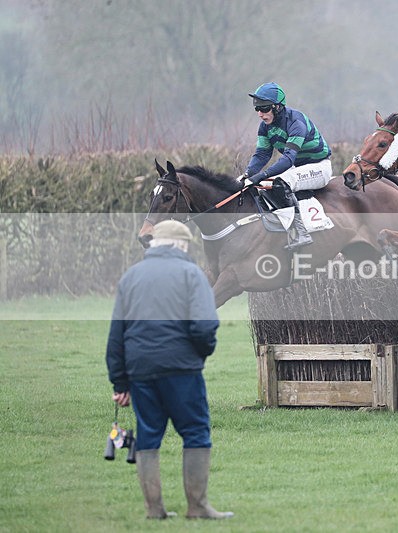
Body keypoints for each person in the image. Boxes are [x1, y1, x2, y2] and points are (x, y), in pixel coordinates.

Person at [105, 220, 232, 520]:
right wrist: (200, 354)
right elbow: (204, 326)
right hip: (181, 369)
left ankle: (154, 509)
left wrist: (120, 382)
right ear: (182, 245)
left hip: (140, 371)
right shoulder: (192, 274)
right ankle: (197, 506)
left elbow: (116, 336)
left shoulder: (131, 277)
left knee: (149, 436)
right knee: (196, 432)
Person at [239, 82, 333, 250]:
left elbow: (288, 158)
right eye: (257, 109)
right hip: (297, 168)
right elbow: (262, 155)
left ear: (277, 107)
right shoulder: (265, 127)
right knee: (261, 184)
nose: (260, 114)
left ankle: (301, 232)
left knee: (280, 182)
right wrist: (247, 175)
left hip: (319, 167)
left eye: (264, 108)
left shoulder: (296, 122)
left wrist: (262, 174)